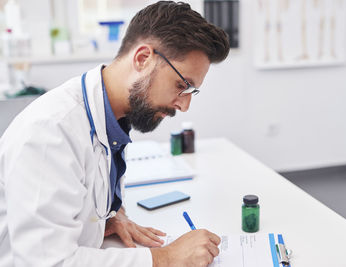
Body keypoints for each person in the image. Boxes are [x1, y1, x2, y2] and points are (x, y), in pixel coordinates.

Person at [0, 1, 230, 266]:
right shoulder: (49, 133)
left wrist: (108, 215)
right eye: (182, 85)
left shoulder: (111, 118)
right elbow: (46, 262)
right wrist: (164, 257)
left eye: (191, 92)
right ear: (143, 58)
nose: (184, 105)